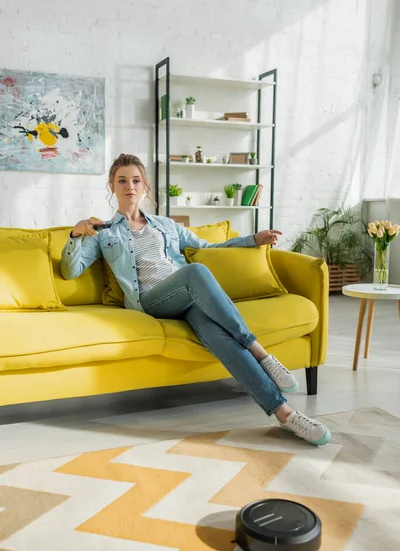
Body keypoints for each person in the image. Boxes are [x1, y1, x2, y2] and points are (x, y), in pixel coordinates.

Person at [61, 153, 330, 446]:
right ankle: (262, 353)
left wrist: (252, 240)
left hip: (188, 299)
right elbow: (70, 270)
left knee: (223, 340)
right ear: (112, 186)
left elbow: (209, 247)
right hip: (151, 301)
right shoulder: (104, 233)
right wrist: (76, 234)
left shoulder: (166, 225)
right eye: (122, 180)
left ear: (145, 186)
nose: (129, 186)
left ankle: (286, 415)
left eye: (136, 180)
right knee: (195, 272)